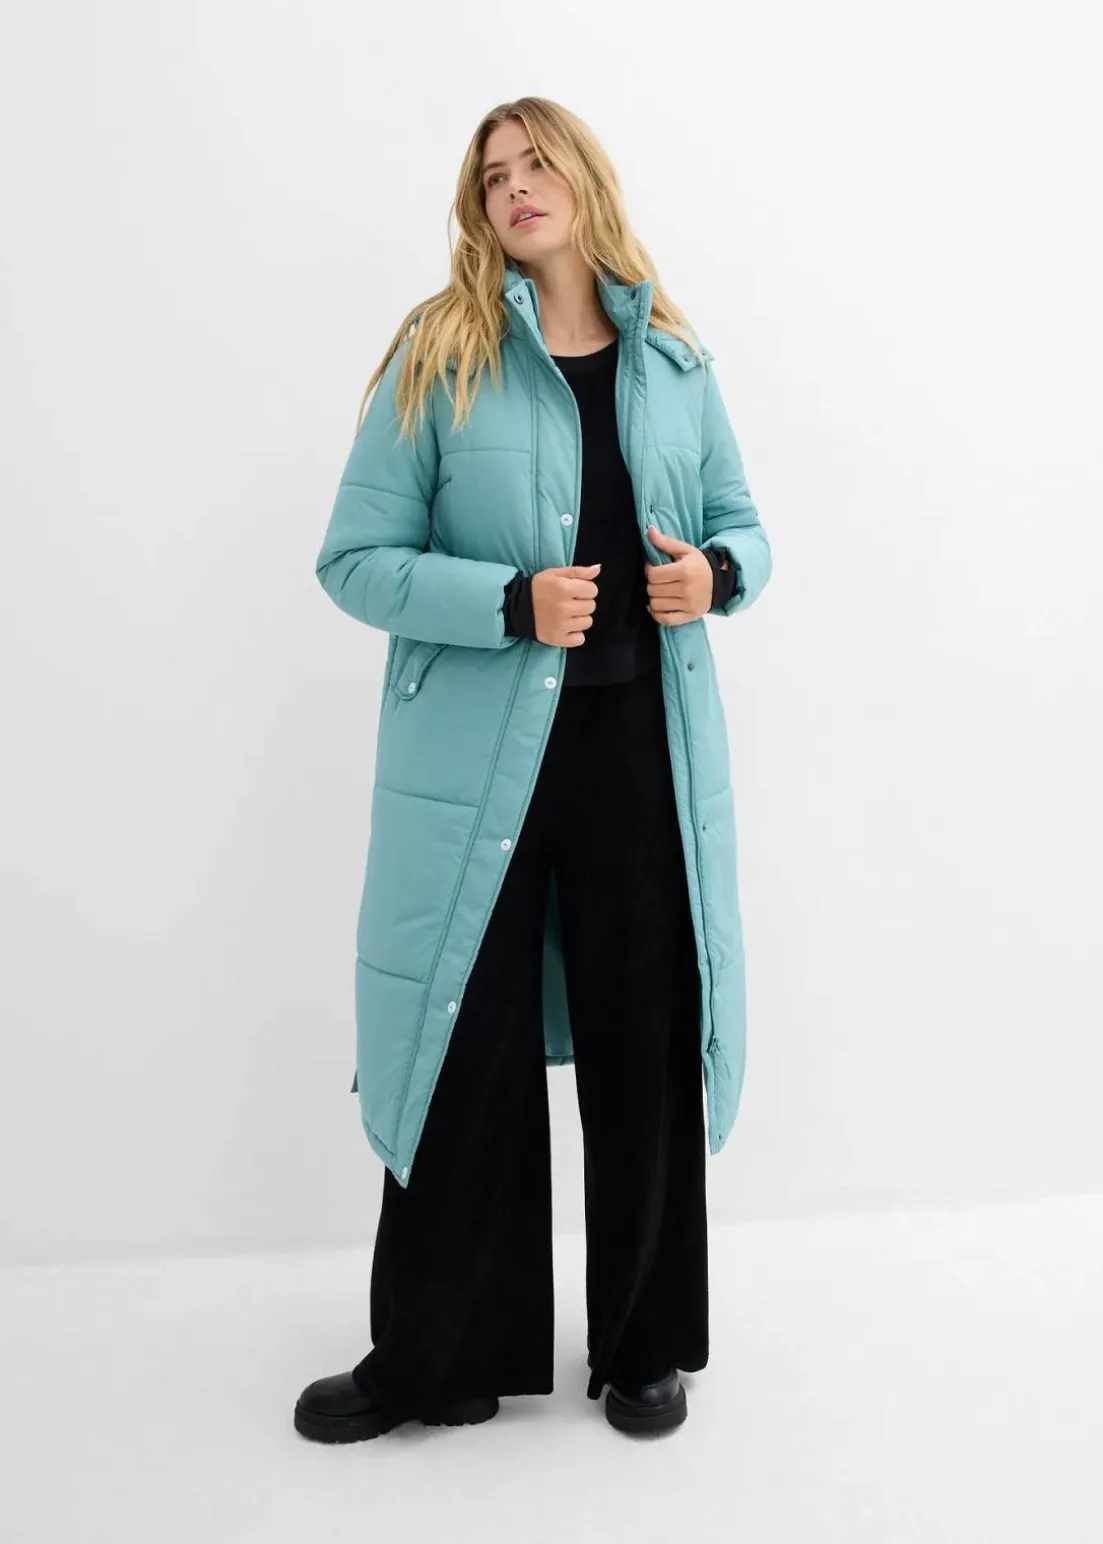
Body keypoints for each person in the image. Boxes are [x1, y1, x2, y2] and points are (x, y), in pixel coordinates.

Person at [294, 95, 772, 1443]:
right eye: (493, 174)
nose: (516, 187)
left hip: (640, 752)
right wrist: (508, 602)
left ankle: (642, 1347)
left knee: (644, 1043)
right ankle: (436, 1357)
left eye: (537, 162)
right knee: (465, 1046)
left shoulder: (672, 360)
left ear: (583, 179)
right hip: (479, 763)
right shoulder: (438, 354)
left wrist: (713, 575)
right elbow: (352, 561)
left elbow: (743, 527)